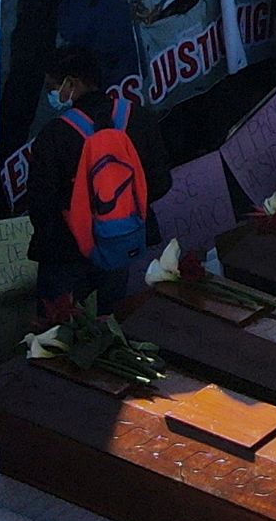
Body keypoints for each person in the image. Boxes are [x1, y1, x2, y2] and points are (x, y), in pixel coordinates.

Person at [17, 47, 173, 318]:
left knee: (61, 336)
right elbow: (161, 182)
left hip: (66, 258)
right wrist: (117, 213)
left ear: (72, 83)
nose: (51, 94)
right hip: (120, 246)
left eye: (52, 86)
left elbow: (40, 206)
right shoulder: (140, 119)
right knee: (110, 324)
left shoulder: (54, 136)